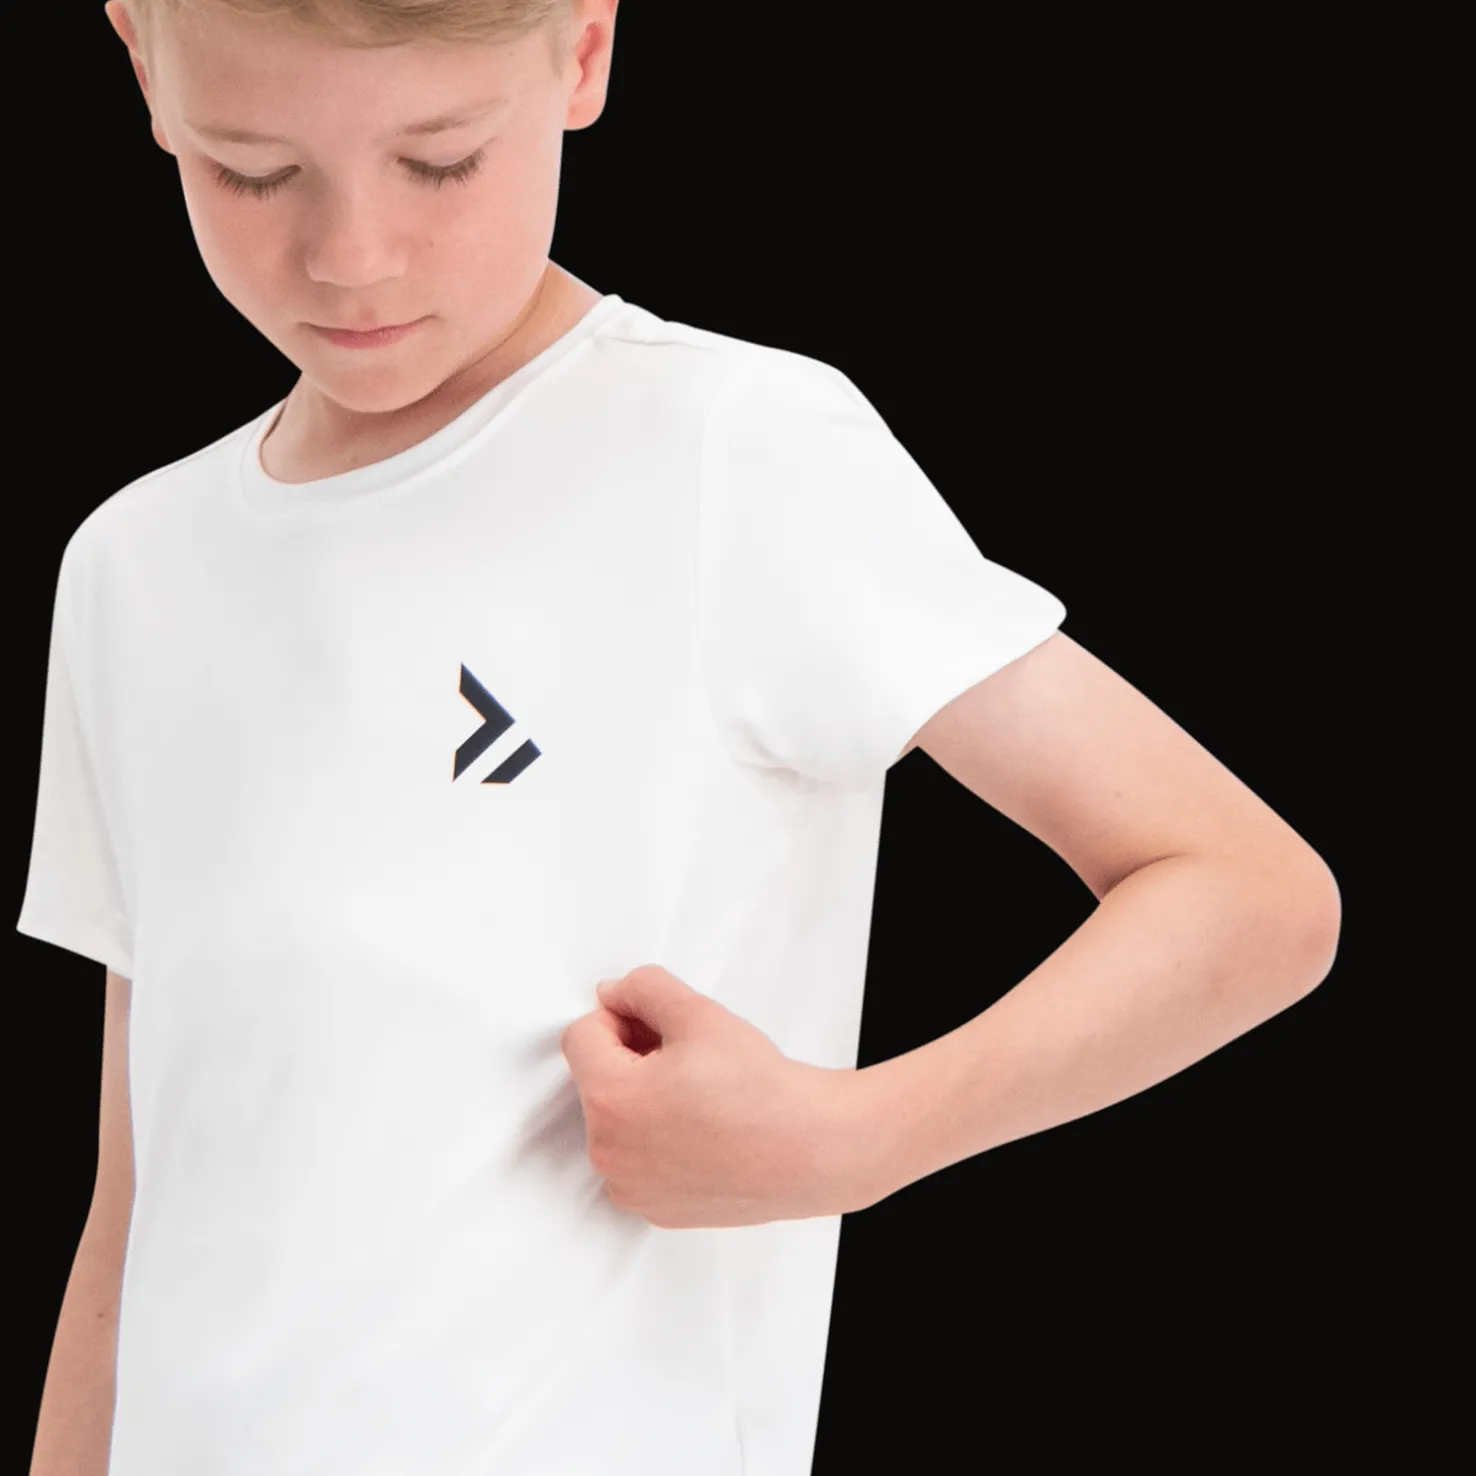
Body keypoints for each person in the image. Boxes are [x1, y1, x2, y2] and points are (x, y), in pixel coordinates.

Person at [20, 2, 1343, 1473]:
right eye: (254, 169)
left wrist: (855, 1138)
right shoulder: (133, 566)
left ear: (583, 50)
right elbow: (135, 1202)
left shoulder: (725, 449)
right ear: (144, 68)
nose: (352, 256)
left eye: (442, 160)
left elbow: (1249, 891)